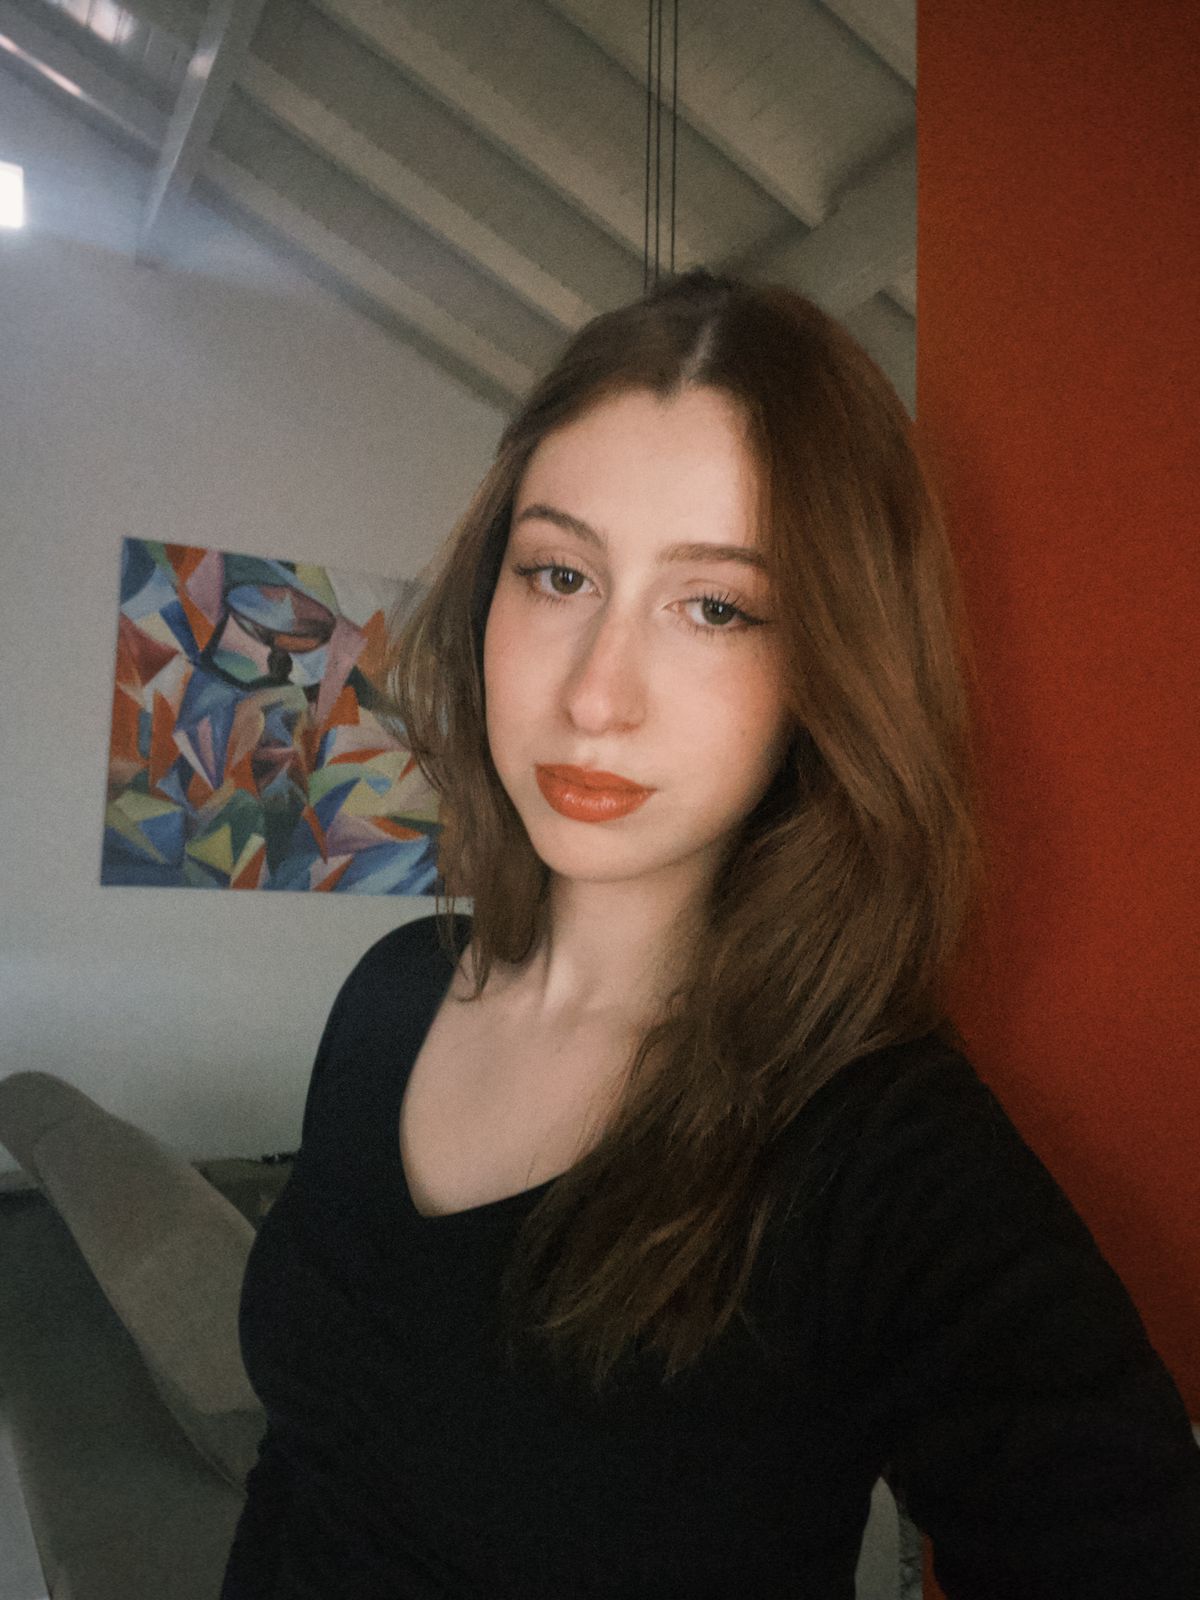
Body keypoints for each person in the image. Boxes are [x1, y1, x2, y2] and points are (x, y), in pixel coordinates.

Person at [220, 270, 1200, 1599]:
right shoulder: (392, 996)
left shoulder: (873, 1149)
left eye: (716, 607)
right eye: (560, 574)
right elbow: (302, 1472)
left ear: (830, 666)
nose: (596, 694)